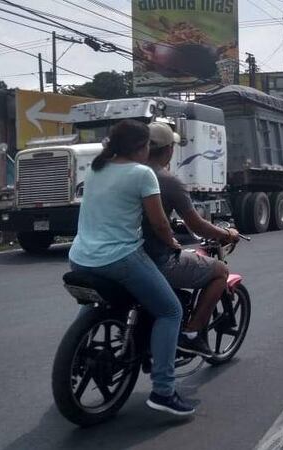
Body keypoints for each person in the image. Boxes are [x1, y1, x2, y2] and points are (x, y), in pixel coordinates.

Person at [69, 120, 196, 416]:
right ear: (140, 147)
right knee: (170, 311)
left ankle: (76, 358)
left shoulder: (98, 168)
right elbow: (159, 223)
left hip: (80, 257)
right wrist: (174, 244)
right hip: (120, 259)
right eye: (147, 145)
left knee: (96, 304)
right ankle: (164, 391)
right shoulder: (142, 174)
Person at [142, 123, 240, 358]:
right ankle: (193, 334)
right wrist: (227, 234)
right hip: (155, 259)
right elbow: (195, 225)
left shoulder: (124, 174)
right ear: (169, 150)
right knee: (218, 271)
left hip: (116, 254)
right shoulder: (167, 181)